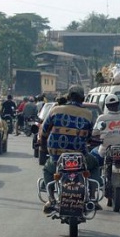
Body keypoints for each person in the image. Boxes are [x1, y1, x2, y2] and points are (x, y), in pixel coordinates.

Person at [41, 85, 96, 214]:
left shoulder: (55, 110)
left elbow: (44, 132)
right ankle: (93, 197)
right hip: (80, 157)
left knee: (47, 170)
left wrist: (44, 149)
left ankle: (51, 199)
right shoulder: (88, 114)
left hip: (56, 157)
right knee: (94, 165)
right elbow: (89, 136)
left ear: (69, 96)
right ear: (82, 99)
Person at [91, 95, 120, 190]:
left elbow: (94, 133)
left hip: (105, 150)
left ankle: (97, 182)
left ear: (107, 106)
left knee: (93, 155)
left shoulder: (102, 118)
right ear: (118, 104)